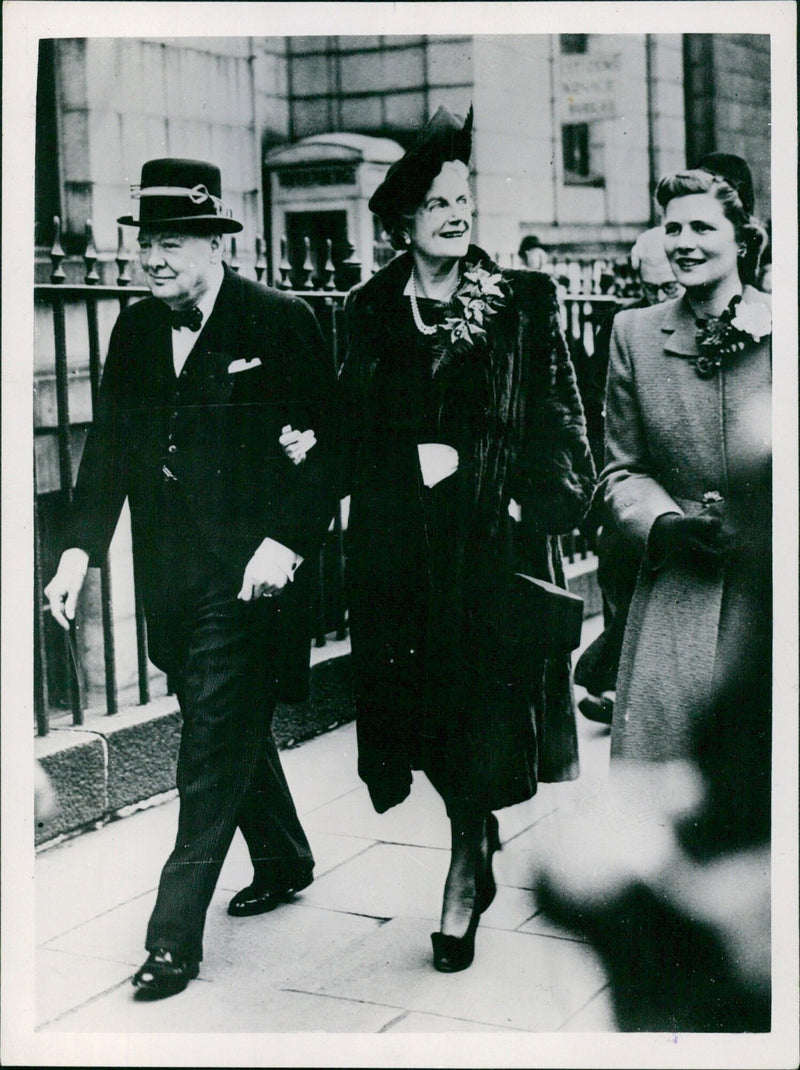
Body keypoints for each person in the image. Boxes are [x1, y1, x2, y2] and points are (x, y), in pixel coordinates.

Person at [44, 158, 339, 1000]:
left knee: (207, 748)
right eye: (147, 243)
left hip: (251, 578)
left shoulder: (280, 319)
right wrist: (76, 556)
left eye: (173, 242)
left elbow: (331, 447)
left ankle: (172, 938)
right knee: (222, 716)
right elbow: (108, 450)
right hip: (169, 577)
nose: (156, 259)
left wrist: (286, 539)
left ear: (215, 242)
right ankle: (283, 855)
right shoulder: (137, 329)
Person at [333, 107, 595, 972]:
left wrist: (529, 507)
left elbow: (563, 429)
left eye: (464, 200)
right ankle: (475, 833)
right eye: (438, 203)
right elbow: (350, 433)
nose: (456, 214)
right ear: (402, 222)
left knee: (477, 714)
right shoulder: (368, 309)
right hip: (398, 561)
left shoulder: (522, 300)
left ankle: (461, 870)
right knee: (418, 720)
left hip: (488, 554)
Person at [600, 154, 771, 763]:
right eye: (673, 228)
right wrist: (665, 525)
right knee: (666, 776)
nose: (684, 244)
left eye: (702, 228)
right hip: (678, 587)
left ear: (744, 239)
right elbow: (621, 466)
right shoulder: (634, 334)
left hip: (771, 589)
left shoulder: (783, 326)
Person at [574, 226, 683, 726]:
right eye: (649, 288)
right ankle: (621, 688)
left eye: (669, 287)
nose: (659, 298)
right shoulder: (624, 329)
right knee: (621, 571)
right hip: (637, 489)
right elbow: (603, 415)